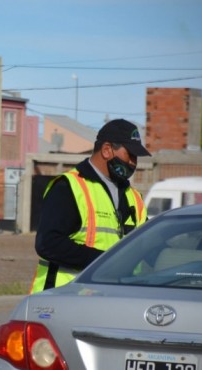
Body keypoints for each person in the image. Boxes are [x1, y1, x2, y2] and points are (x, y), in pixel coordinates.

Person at [29, 119, 151, 294]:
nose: (133, 162)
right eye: (130, 154)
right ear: (107, 150)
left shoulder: (134, 198)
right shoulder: (68, 187)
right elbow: (48, 244)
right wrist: (104, 263)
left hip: (113, 299)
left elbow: (146, 248)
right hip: (63, 298)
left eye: (136, 157)